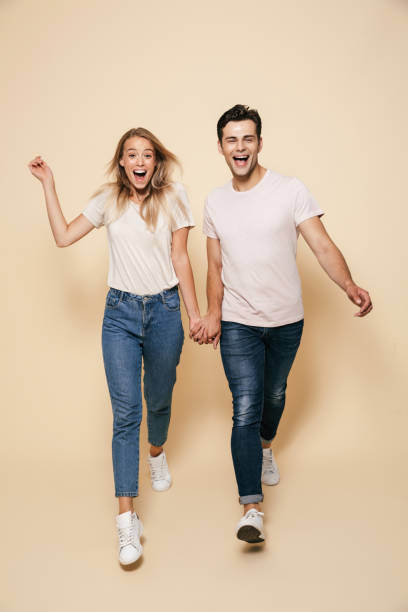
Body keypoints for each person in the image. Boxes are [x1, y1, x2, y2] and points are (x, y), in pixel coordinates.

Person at [196, 104, 372, 544]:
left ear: (259, 143)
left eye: (248, 138)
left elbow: (322, 245)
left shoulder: (289, 190)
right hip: (238, 321)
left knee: (274, 395)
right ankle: (251, 508)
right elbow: (213, 265)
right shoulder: (215, 201)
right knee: (246, 408)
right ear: (221, 147)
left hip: (286, 321)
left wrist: (348, 284)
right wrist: (213, 313)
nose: (240, 147)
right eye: (232, 140)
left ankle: (267, 446)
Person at [28, 127, 203, 565]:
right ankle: (127, 523)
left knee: (158, 402)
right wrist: (49, 185)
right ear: (122, 162)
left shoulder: (175, 195)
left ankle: (157, 452)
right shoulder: (108, 199)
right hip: (119, 316)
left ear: (155, 161)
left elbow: (181, 257)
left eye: (147, 154)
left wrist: (194, 314)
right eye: (131, 154)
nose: (140, 161)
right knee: (126, 415)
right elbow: (64, 236)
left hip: (165, 312)